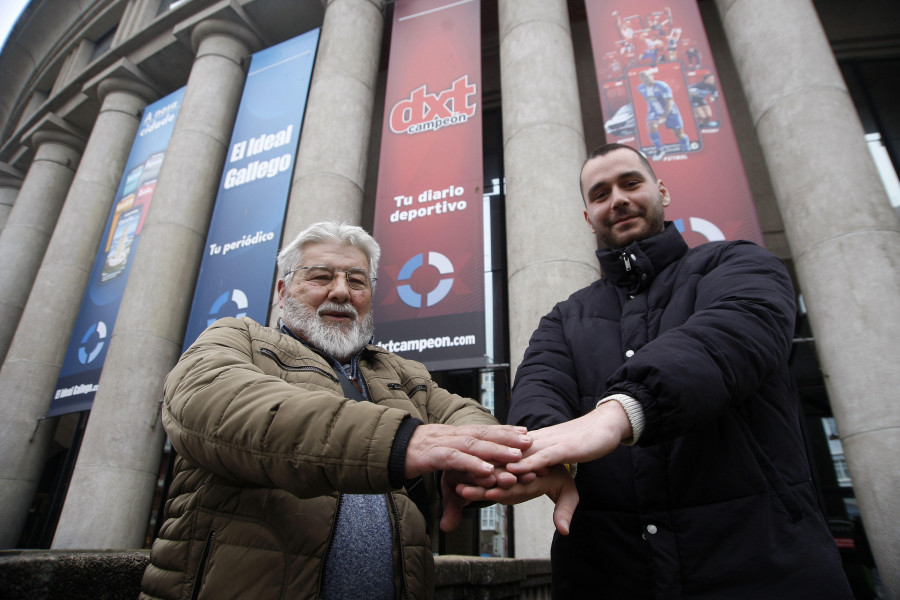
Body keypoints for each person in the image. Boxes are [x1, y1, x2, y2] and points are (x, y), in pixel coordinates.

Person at [458, 144, 853, 598]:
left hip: (764, 569)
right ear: (588, 216)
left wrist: (620, 412)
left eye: (630, 183)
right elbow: (537, 389)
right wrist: (548, 456)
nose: (618, 199)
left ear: (660, 190)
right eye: (601, 193)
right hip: (609, 575)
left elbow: (731, 336)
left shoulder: (740, 263)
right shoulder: (565, 318)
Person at [139, 221, 534, 600]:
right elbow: (212, 402)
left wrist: (471, 463)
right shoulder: (237, 338)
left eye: (357, 280)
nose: (342, 292)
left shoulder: (403, 372)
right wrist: (402, 442)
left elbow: (467, 417)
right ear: (283, 290)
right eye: (321, 277)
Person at [637, 69, 690, 160]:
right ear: (641, 80)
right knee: (651, 126)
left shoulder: (662, 86)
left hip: (670, 112)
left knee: (678, 134)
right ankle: (660, 149)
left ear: (652, 76)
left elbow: (669, 102)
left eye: (647, 76)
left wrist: (664, 116)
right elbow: (648, 99)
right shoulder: (640, 88)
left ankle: (686, 146)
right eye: (643, 78)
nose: (645, 79)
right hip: (654, 112)